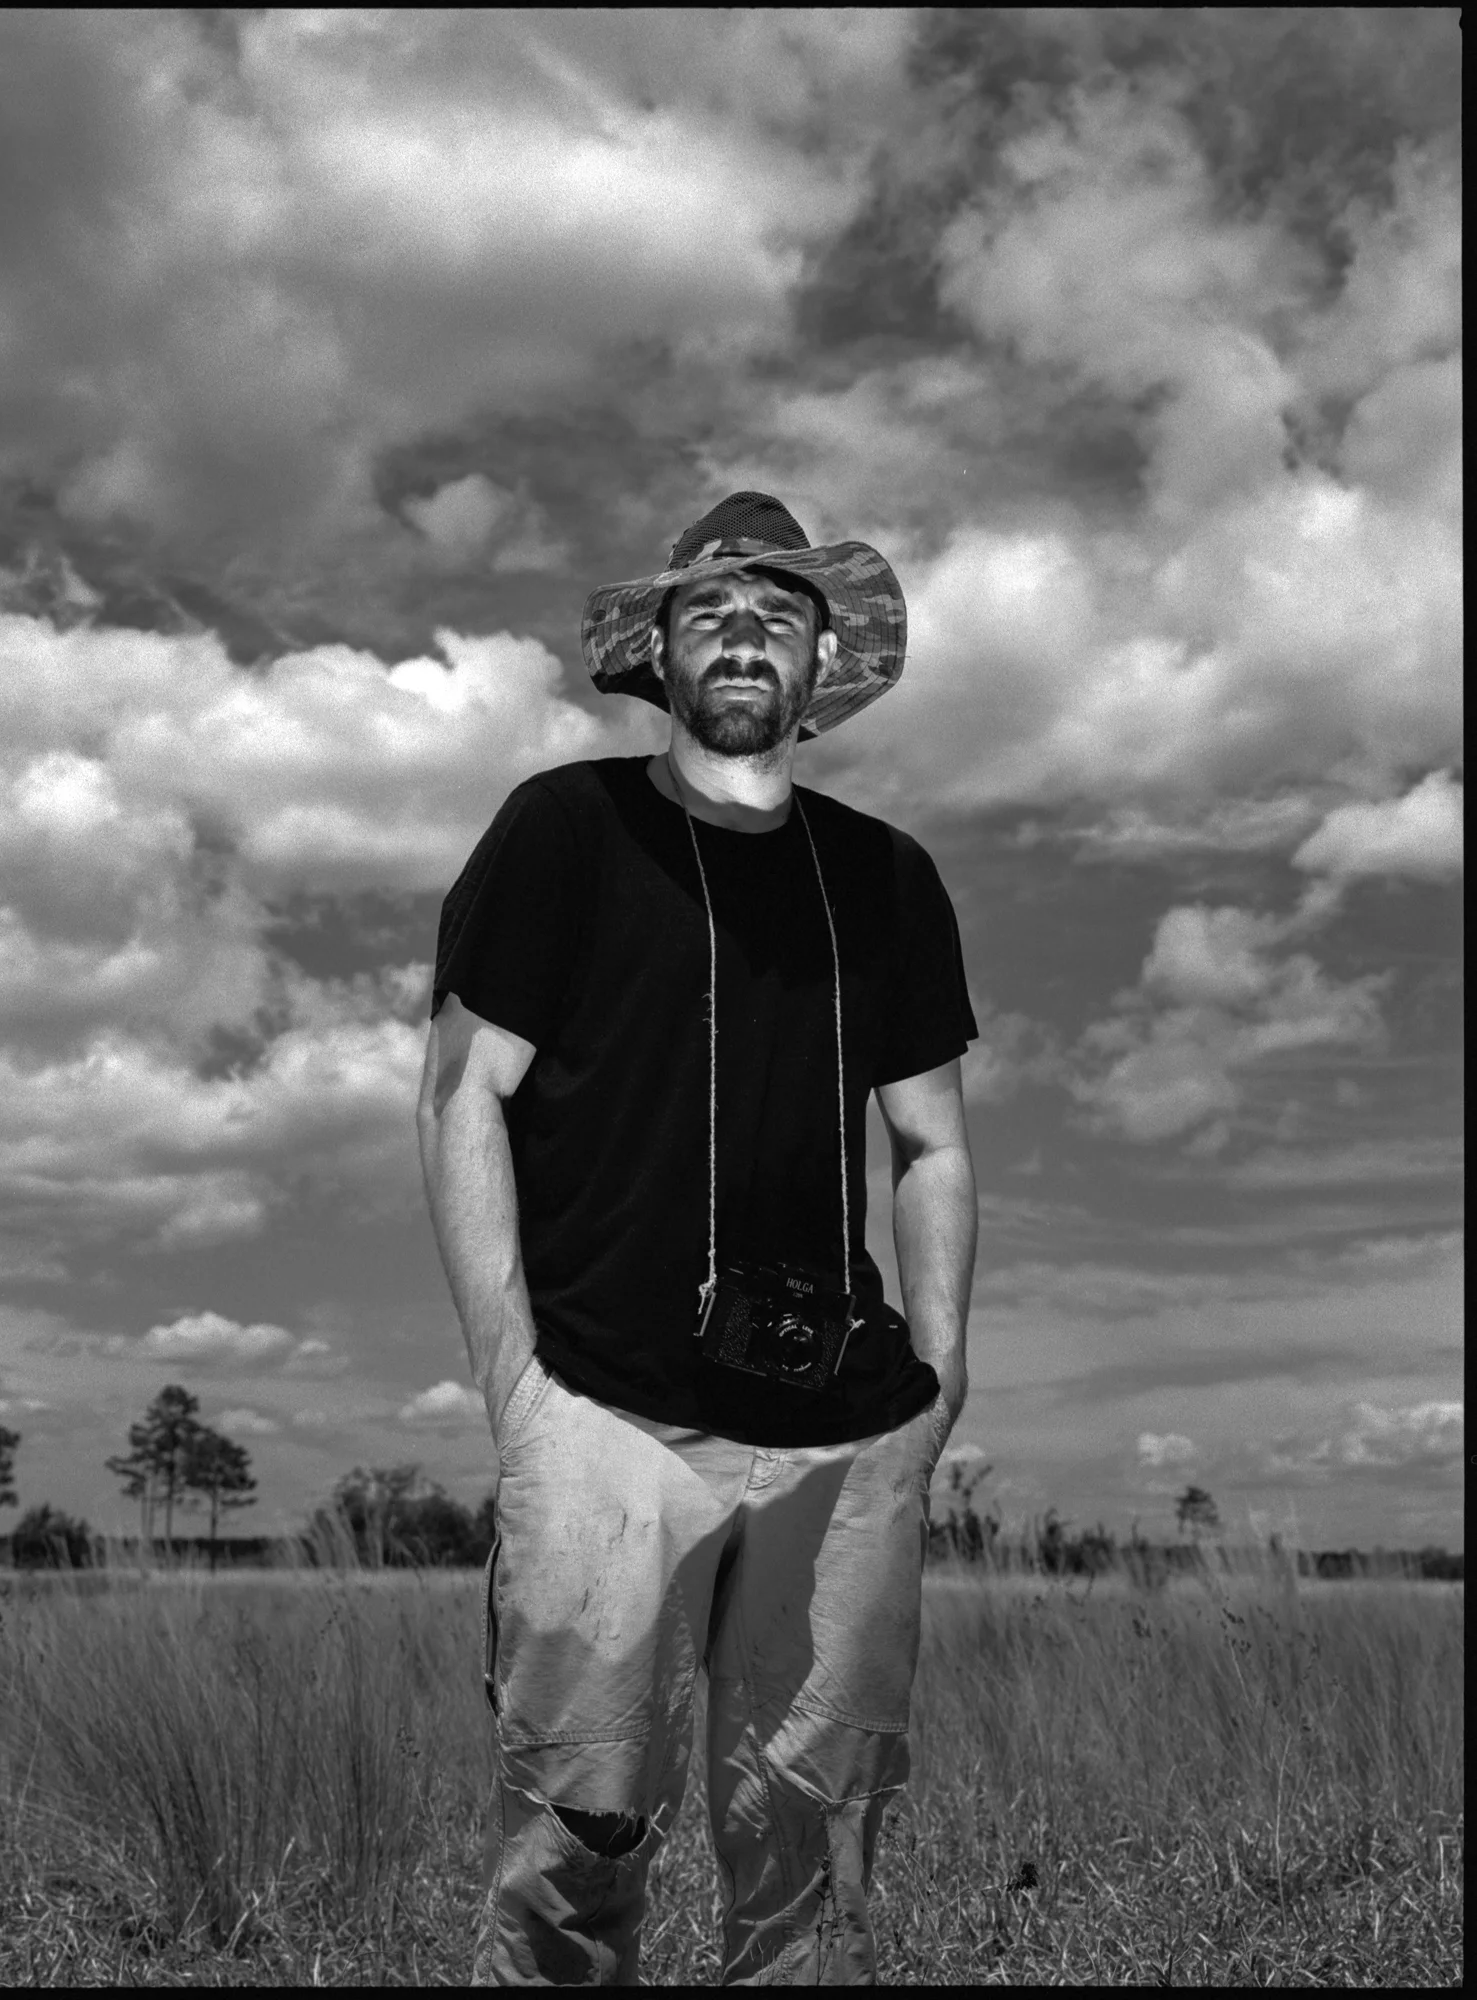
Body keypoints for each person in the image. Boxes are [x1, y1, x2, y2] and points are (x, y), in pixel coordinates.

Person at [417, 491, 979, 1985]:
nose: (746, 632)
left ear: (819, 662)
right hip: (604, 1414)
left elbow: (930, 1147)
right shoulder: (566, 831)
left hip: (842, 1440)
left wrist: (940, 1389)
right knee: (573, 1847)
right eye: (713, 609)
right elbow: (462, 1095)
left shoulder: (891, 880)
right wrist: (518, 1394)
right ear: (659, 651)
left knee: (811, 1855)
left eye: (779, 613)